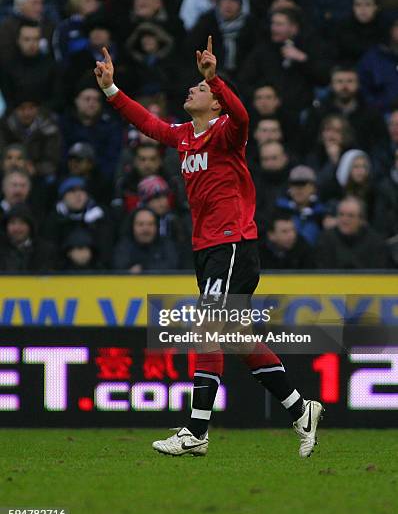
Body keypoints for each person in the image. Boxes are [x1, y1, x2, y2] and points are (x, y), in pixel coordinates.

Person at [94, 38, 323, 458]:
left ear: (215, 103)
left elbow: (243, 113)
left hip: (232, 242)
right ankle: (300, 409)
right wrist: (111, 89)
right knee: (235, 336)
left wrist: (215, 80)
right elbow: (147, 123)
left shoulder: (227, 133)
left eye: (198, 90)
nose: (192, 91)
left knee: (207, 328)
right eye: (196, 87)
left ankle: (196, 430)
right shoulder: (184, 136)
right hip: (208, 247)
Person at [316, 196, 390, 269]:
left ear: (361, 220)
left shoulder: (376, 242)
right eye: (341, 214)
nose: (345, 220)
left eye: (350, 216)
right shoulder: (325, 239)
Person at [112, 206, 178, 271]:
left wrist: (143, 269)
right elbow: (119, 267)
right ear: (132, 227)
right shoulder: (123, 246)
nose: (146, 229)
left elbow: (173, 265)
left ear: (157, 227)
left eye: (150, 224)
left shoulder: (166, 244)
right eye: (140, 224)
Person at [276, 166, 327, 246]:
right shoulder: (278, 210)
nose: (298, 189)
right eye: (294, 184)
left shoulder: (323, 213)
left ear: (313, 188)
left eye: (303, 184)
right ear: (289, 188)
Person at [0, 203, 56, 272]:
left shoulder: (45, 250)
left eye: (22, 223)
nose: (17, 228)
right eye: (12, 223)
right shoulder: (2, 248)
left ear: (30, 226)